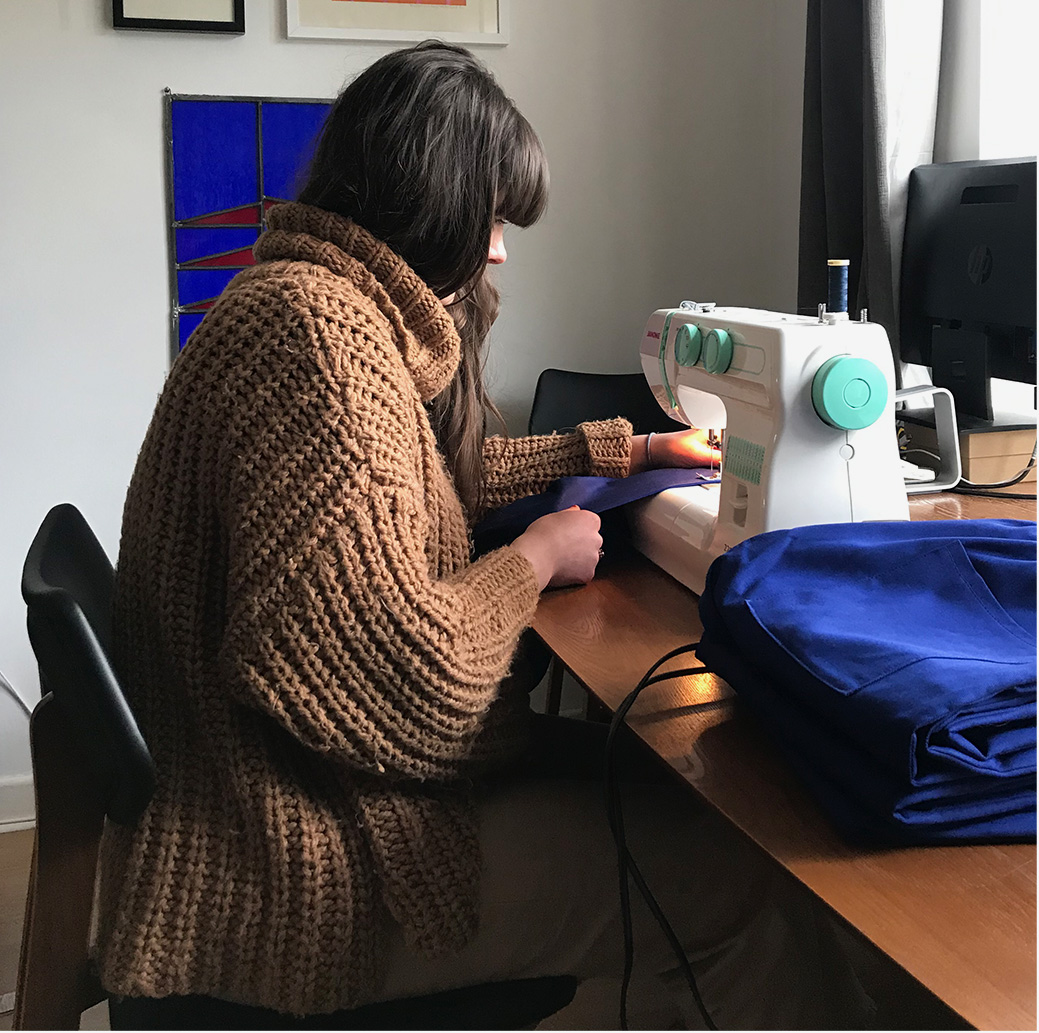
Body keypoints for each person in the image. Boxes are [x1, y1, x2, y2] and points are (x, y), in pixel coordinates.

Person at [98, 40, 874, 1029]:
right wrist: (533, 559)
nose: (500, 249)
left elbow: (418, 489)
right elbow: (397, 683)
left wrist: (625, 449)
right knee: (743, 866)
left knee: (658, 777)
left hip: (283, 796)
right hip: (299, 859)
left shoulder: (304, 304)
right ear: (434, 200)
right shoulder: (318, 341)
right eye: (495, 218)